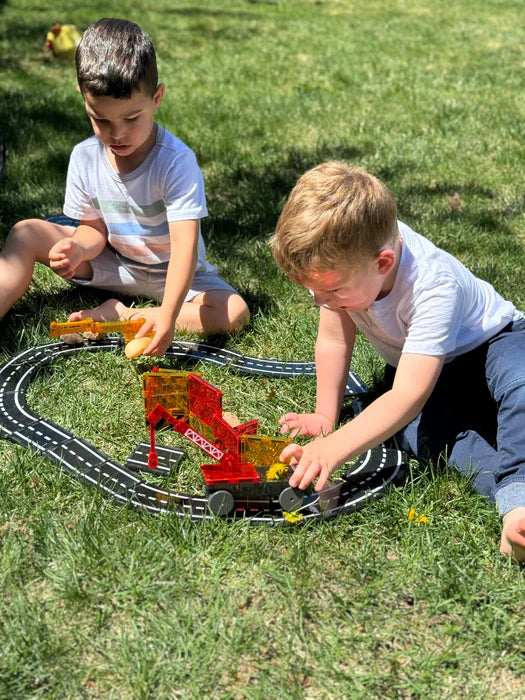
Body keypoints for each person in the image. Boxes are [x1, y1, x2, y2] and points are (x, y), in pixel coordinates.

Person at [270, 161, 525, 561]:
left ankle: (518, 492)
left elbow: (407, 395)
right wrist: (325, 415)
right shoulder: (345, 266)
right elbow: (334, 339)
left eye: (331, 291)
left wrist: (335, 447)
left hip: (492, 345)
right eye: (315, 291)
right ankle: (515, 511)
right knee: (424, 435)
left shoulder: (432, 284)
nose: (321, 301)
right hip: (424, 370)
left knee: (520, 383)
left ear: (384, 263)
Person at [0, 18, 249, 355]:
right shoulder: (85, 157)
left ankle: (123, 315)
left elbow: (185, 248)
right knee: (26, 233)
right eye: (101, 119)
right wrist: (78, 248)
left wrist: (168, 315)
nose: (117, 134)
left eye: (132, 119)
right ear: (84, 99)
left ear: (156, 98)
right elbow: (93, 229)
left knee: (234, 312)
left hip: (173, 273)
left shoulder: (176, 161)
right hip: (116, 265)